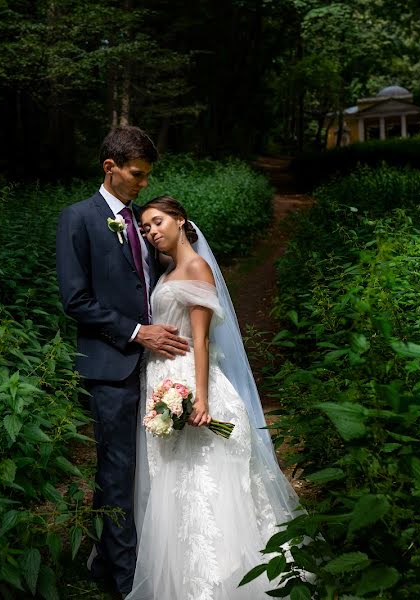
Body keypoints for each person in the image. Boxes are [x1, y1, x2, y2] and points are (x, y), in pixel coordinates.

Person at [127, 196, 311, 599]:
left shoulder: (196, 268)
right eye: (145, 228)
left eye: (158, 222)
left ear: (180, 220)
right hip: (161, 380)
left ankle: (219, 581)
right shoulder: (171, 270)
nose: (152, 232)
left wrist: (201, 399)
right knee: (173, 482)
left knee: (202, 480)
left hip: (188, 384)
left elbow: (201, 340)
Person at [55, 126, 190, 597]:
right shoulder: (78, 218)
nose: (143, 183)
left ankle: (126, 560)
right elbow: (75, 300)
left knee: (144, 468)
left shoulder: (141, 220)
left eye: (148, 175)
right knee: (115, 470)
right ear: (109, 167)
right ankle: (124, 579)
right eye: (137, 174)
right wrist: (137, 332)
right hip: (110, 364)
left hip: (155, 369)